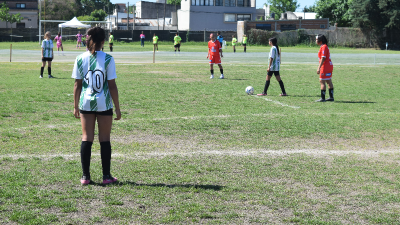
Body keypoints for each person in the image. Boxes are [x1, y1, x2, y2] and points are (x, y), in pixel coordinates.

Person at [72, 27, 121, 185]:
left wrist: (75, 106)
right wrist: (118, 108)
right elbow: (112, 86)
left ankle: (85, 177)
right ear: (103, 42)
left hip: (85, 102)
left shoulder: (80, 58)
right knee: (104, 139)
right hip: (104, 103)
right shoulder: (108, 59)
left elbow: (77, 85)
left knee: (87, 138)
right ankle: (106, 176)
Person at [315, 34, 334, 102]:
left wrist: (319, 67)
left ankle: (322, 98)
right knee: (328, 81)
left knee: (322, 81)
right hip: (329, 66)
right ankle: (331, 97)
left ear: (320, 40)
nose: (316, 41)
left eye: (317, 39)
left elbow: (323, 57)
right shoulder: (324, 46)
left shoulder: (324, 47)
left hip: (325, 66)